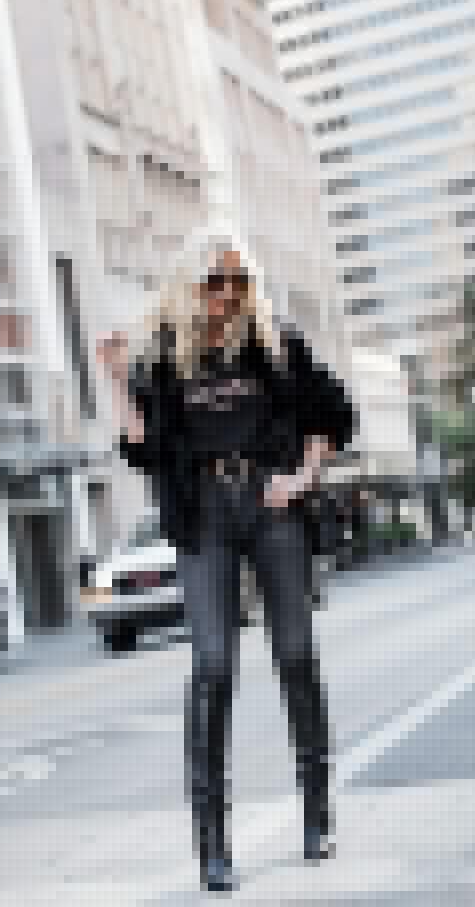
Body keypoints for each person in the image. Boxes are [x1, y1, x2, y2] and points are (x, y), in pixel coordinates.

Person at [99, 234, 353, 892]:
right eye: (216, 280)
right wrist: (117, 383)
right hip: (203, 512)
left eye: (239, 281)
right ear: (191, 283)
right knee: (212, 665)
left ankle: (317, 816)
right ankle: (212, 846)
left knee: (295, 654)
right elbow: (144, 448)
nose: (228, 293)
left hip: (270, 502)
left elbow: (330, 413)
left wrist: (301, 479)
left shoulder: (276, 341)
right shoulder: (163, 356)